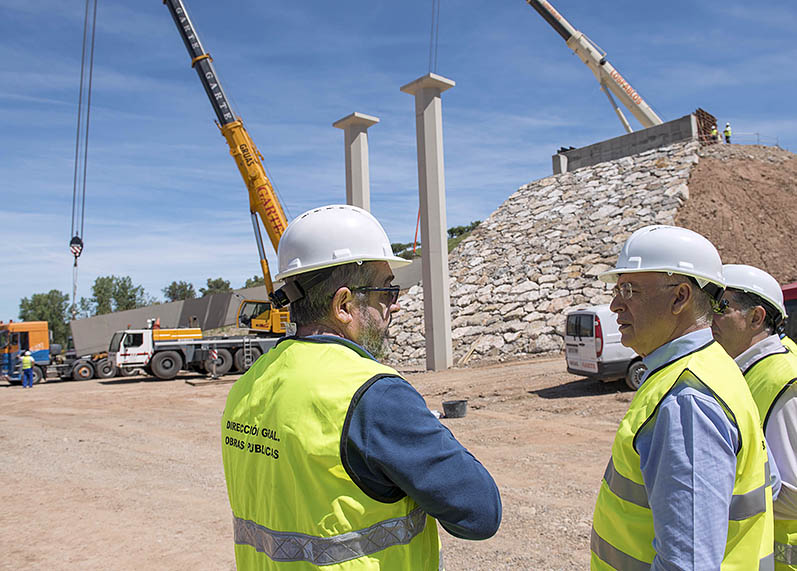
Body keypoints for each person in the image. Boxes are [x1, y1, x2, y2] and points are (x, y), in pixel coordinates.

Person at [221, 205, 501, 569]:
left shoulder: (250, 383)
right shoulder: (373, 394)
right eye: (387, 292)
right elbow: (480, 513)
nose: (394, 307)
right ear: (343, 305)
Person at [590, 225, 774, 570]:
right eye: (617, 290)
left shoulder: (687, 399)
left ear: (680, 297)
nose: (615, 305)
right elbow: (769, 484)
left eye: (629, 290)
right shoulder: (716, 366)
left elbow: (687, 564)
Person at [711, 264, 797, 570]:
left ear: (756, 317)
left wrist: (712, 493)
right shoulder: (746, 370)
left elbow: (793, 494)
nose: (711, 318)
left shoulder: (782, 378)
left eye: (721, 306)